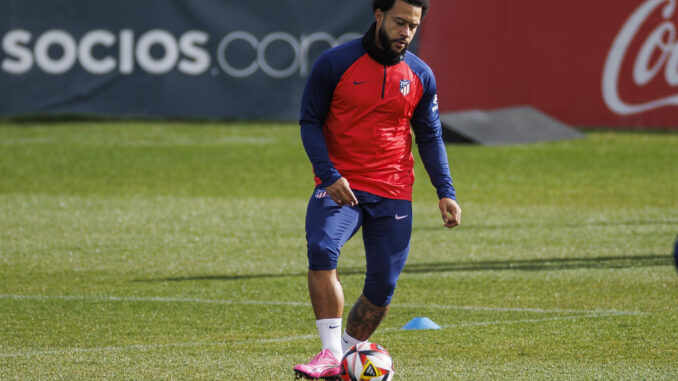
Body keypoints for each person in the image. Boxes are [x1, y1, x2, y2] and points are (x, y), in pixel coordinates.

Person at [294, 0, 461, 379]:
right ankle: (330, 352)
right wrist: (328, 173)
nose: (406, 32)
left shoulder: (420, 75)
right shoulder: (335, 63)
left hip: (394, 190)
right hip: (341, 186)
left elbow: (430, 136)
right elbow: (309, 121)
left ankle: (349, 355)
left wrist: (445, 190)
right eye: (400, 22)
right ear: (378, 16)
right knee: (322, 247)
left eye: (413, 26)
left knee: (382, 286)